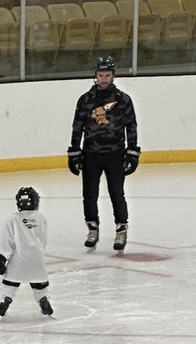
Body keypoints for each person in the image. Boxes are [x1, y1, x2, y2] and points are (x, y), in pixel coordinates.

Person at [67, 55, 140, 252]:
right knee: (89, 194)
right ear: (95, 76)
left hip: (115, 153)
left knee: (117, 192)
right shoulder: (85, 100)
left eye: (107, 74)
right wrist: (74, 152)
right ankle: (92, 227)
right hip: (91, 154)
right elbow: (78, 127)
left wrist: (132, 151)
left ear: (113, 76)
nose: (104, 78)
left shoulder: (123, 100)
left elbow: (131, 125)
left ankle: (121, 228)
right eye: (101, 75)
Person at [0, 186, 54, 323]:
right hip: (37, 259)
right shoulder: (41, 217)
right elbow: (43, 240)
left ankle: (4, 304)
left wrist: (1, 259)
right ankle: (43, 301)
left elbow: (7, 242)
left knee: (11, 284)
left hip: (19, 259)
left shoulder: (13, 219)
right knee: (39, 283)